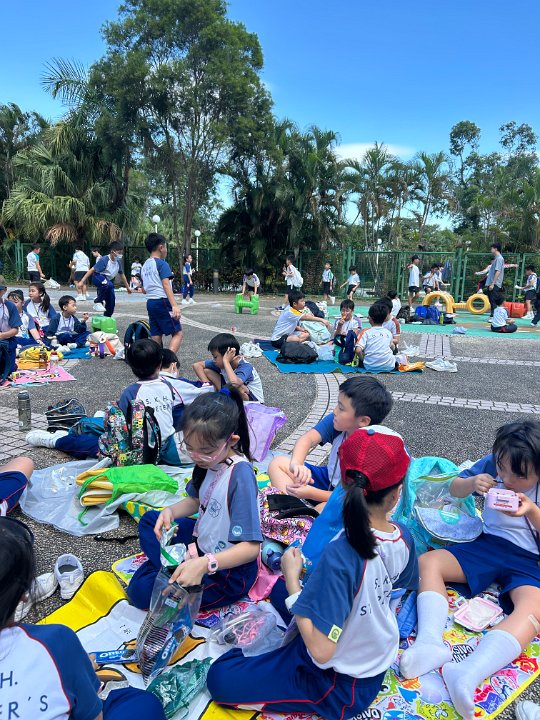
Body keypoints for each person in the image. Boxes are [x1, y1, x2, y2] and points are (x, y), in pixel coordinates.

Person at [207, 427, 417, 720]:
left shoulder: (341, 554)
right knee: (278, 595)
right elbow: (397, 590)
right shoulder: (403, 536)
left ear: (343, 485)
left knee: (220, 678)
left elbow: (321, 650)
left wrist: (294, 582)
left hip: (338, 684)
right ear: (396, 495)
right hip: (368, 651)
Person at [400, 421, 540, 720]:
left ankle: (468, 672)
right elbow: (454, 487)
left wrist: (531, 510)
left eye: (519, 475)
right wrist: (473, 483)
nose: (507, 479)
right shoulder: (497, 462)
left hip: (529, 559)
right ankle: (429, 643)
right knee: (428, 563)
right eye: (502, 468)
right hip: (486, 544)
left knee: (533, 610)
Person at [0, 515, 166, 720]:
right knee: (143, 705)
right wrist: (79, 672)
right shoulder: (54, 641)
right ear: (25, 593)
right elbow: (95, 716)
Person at [127, 389, 262, 612]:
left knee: (140, 591)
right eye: (190, 448)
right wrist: (170, 511)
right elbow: (196, 500)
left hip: (227, 572)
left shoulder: (240, 475)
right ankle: (177, 568)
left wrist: (204, 564)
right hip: (203, 541)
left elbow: (250, 549)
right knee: (151, 520)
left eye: (205, 451)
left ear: (231, 440)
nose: (196, 457)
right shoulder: (210, 461)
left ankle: (175, 568)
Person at [26, 339, 185, 465]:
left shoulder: (131, 392)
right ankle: (71, 433)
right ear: (160, 364)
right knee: (100, 425)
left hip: (140, 449)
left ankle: (55, 441)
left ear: (131, 366)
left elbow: (119, 426)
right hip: (168, 445)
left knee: (92, 444)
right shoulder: (168, 385)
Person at [269, 376, 393, 508]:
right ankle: (295, 510)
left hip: (349, 498)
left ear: (363, 421)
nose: (335, 411)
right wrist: (297, 465)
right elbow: (307, 439)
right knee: (278, 463)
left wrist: (311, 493)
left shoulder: (371, 451)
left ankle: (302, 513)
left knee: (322, 508)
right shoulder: (338, 423)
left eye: (341, 408)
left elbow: (352, 497)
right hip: (328, 480)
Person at [141, 233, 183, 352]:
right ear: (161, 247)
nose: (166, 250)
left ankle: (156, 360)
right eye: (165, 247)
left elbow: (144, 289)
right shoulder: (162, 264)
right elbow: (166, 284)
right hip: (162, 302)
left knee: (156, 334)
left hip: (151, 303)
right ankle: (168, 361)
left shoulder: (145, 266)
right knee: (177, 333)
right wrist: (174, 305)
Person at [193, 332, 264, 402]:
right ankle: (221, 397)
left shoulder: (246, 366)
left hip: (254, 402)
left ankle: (228, 402)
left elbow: (235, 383)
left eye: (215, 357)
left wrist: (226, 361)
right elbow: (197, 365)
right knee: (207, 371)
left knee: (240, 388)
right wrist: (207, 386)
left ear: (227, 355)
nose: (214, 360)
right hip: (233, 392)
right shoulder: (220, 363)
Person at [80, 240, 131, 316]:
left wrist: (128, 287)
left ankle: (107, 317)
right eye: (119, 252)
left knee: (111, 300)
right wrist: (82, 281)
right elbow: (92, 270)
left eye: (121, 253)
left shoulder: (118, 263)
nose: (121, 255)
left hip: (107, 281)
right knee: (108, 285)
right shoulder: (105, 260)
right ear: (112, 251)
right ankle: (98, 302)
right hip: (97, 276)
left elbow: (122, 275)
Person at [356, 302, 398, 372]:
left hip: (370, 366)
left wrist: (363, 359)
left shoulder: (365, 332)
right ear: (384, 318)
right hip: (389, 366)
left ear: (370, 318)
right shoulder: (388, 332)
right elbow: (392, 347)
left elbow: (358, 350)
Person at [484, 242, 505, 318]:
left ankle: (494, 316)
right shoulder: (497, 258)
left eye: (492, 248)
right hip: (492, 282)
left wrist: (493, 283)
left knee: (493, 300)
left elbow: (498, 271)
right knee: (491, 299)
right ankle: (493, 315)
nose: (491, 250)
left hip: (494, 283)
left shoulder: (499, 258)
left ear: (495, 249)